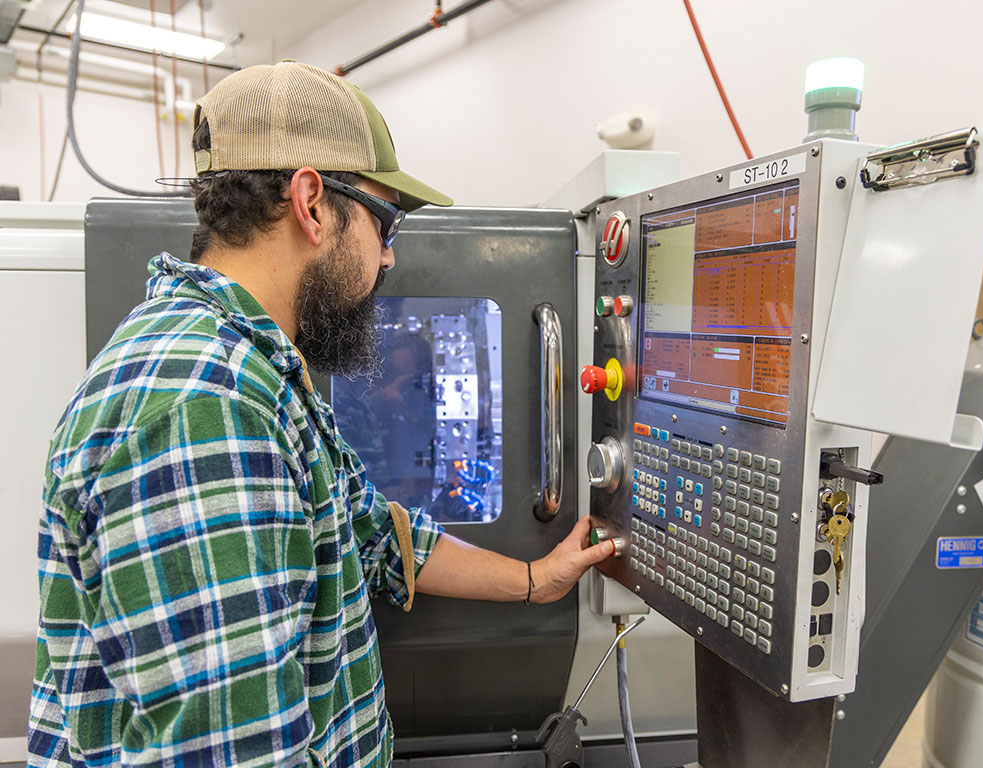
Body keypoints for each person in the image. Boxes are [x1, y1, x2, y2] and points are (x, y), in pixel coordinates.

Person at [29, 61, 615, 768]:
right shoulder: (203, 406)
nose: (390, 256)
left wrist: (534, 581)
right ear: (311, 203)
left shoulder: (258, 371)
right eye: (384, 221)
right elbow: (236, 754)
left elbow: (371, 535)